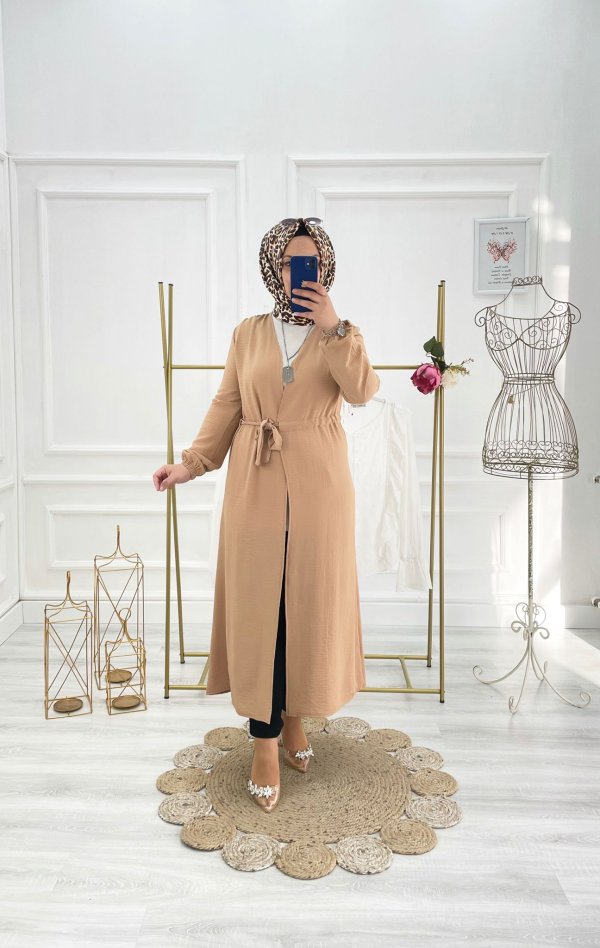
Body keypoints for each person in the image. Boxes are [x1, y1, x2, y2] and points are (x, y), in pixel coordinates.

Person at [153, 217, 380, 813]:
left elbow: (362, 392)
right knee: (262, 609)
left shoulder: (341, 334)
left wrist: (334, 327)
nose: (299, 272)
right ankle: (264, 742)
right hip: (254, 480)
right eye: (288, 262)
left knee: (306, 605)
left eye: (310, 262)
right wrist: (191, 464)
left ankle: (296, 717)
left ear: (325, 267)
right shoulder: (249, 333)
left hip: (321, 485)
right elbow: (227, 404)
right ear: (272, 267)